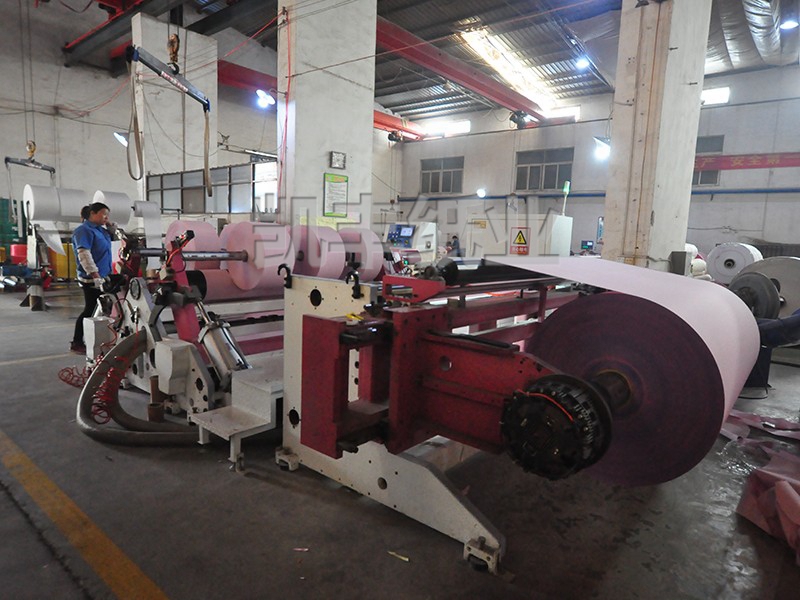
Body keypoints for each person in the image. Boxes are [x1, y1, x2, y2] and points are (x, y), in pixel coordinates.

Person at [70, 202, 113, 354]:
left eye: (107, 215)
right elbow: (84, 255)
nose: (106, 217)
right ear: (92, 213)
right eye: (103, 214)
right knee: (90, 310)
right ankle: (77, 342)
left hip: (104, 275)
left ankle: (102, 339)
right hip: (91, 279)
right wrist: (95, 275)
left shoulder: (101, 230)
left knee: (102, 309)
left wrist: (112, 228)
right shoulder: (83, 231)